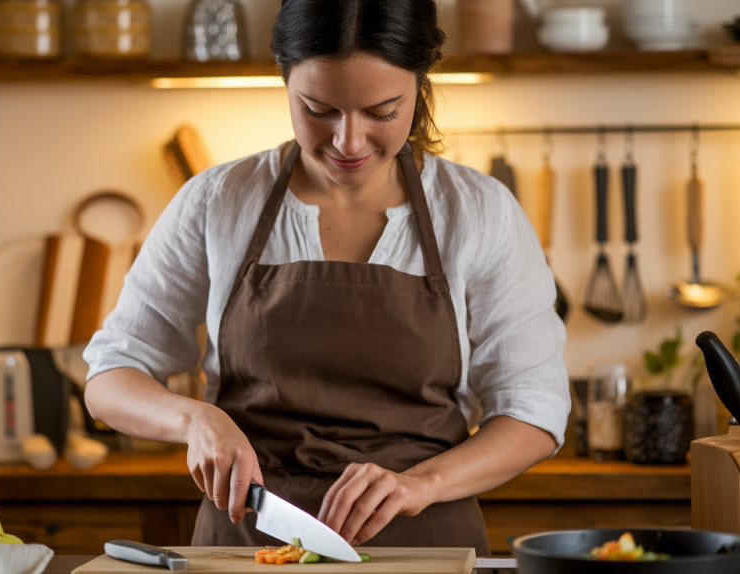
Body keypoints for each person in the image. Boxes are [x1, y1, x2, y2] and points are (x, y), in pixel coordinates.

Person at [83, 0, 569, 553]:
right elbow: (111, 376)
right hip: (247, 547)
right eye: (319, 110)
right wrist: (194, 419)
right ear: (285, 81)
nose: (349, 142)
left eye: (382, 112)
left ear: (420, 86)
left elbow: (534, 411)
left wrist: (421, 484)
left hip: (420, 549)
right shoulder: (217, 201)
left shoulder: (480, 211)